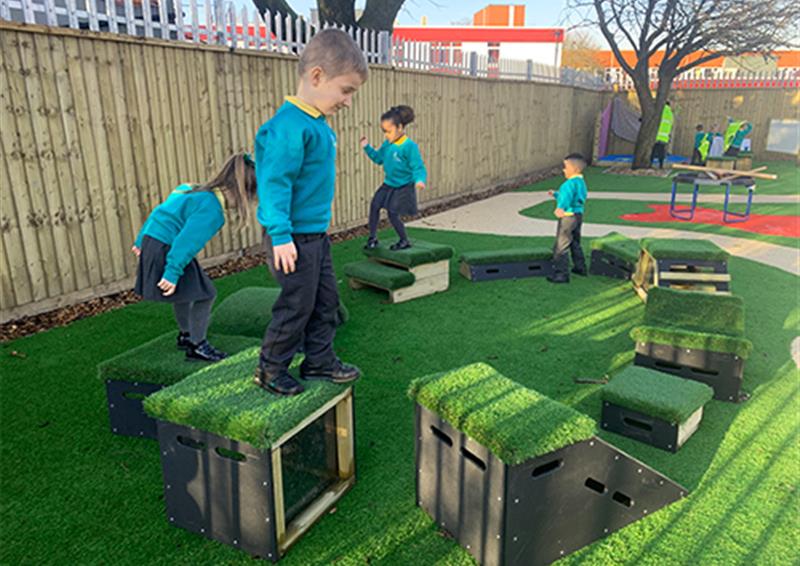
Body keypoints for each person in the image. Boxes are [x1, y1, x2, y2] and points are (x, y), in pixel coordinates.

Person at [253, 29, 368, 396]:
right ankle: (270, 369)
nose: (348, 102)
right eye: (346, 91)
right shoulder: (288, 127)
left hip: (314, 235)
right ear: (317, 76)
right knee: (296, 305)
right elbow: (274, 185)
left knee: (326, 301)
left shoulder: (316, 124)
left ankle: (318, 359)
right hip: (290, 237)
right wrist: (281, 235)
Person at [132, 153, 256, 362]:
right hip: (170, 249)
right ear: (241, 192)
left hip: (154, 242)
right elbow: (187, 242)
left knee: (187, 292)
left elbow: (159, 212)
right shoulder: (212, 211)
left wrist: (141, 241)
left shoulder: (189, 188)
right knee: (205, 294)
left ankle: (186, 335)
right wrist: (172, 272)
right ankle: (197, 345)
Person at [360, 105, 427, 251]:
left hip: (403, 185)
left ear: (400, 127)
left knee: (392, 212)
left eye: (389, 131)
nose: (386, 135)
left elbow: (418, 167)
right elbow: (378, 159)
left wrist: (420, 180)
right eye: (384, 131)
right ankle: (372, 238)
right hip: (389, 184)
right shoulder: (387, 144)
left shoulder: (409, 146)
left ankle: (404, 240)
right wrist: (367, 147)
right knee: (375, 205)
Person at [547, 153, 588, 284]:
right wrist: (556, 194)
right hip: (578, 216)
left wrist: (560, 208)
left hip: (568, 217)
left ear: (574, 169)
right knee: (575, 242)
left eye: (565, 167)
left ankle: (561, 274)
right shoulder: (581, 182)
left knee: (561, 245)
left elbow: (566, 198)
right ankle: (580, 267)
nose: (564, 170)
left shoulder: (568, 184)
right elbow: (574, 197)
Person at [650, 101, 673, 169]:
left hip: (656, 135)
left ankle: (650, 163)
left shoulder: (659, 111)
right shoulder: (670, 114)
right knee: (661, 152)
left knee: (653, 151)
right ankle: (661, 165)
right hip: (664, 137)